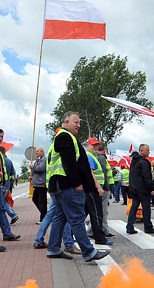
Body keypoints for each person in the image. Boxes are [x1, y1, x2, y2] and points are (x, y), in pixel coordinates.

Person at [45, 112, 109, 263]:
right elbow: (69, 163)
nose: (78, 125)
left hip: (60, 184)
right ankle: (88, 251)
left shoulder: (63, 137)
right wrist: (77, 184)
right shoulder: (65, 136)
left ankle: (53, 248)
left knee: (60, 217)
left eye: (79, 122)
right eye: (76, 122)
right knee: (77, 218)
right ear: (66, 122)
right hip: (67, 184)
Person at [125, 143, 154, 234]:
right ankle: (148, 227)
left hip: (134, 189)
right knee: (146, 209)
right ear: (141, 150)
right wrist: (152, 188)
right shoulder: (144, 162)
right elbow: (147, 177)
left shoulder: (134, 161)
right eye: (147, 150)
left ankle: (129, 227)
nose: (149, 152)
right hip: (143, 190)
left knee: (134, 208)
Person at [83, 138, 110, 245]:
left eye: (96, 145)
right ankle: (99, 238)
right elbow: (91, 173)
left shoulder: (91, 156)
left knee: (83, 214)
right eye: (93, 145)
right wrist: (99, 187)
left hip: (91, 189)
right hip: (93, 189)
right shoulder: (89, 156)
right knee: (97, 214)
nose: (95, 147)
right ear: (88, 145)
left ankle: (71, 233)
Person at [29, 146, 47, 222]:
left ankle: (43, 218)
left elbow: (40, 169)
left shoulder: (44, 160)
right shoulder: (37, 160)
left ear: (42, 152)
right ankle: (45, 215)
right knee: (35, 199)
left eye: (38, 151)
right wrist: (31, 176)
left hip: (41, 183)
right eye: (36, 151)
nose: (36, 152)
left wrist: (33, 167)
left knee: (42, 201)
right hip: (37, 183)